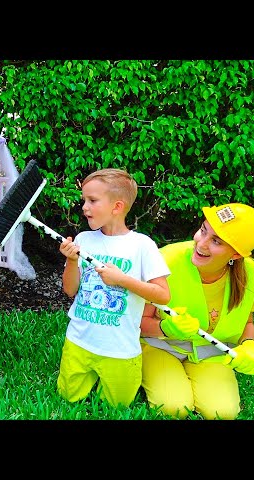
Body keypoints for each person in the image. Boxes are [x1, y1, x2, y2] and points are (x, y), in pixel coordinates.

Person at [140, 202, 254, 420]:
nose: (201, 243)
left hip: (212, 353)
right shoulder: (165, 259)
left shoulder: (252, 272)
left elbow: (247, 323)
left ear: (235, 255)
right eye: (203, 230)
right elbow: (139, 322)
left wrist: (251, 347)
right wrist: (166, 328)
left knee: (223, 414)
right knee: (173, 408)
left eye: (216, 241)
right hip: (160, 347)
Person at [57, 168, 171, 408]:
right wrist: (71, 260)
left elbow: (163, 295)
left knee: (117, 406)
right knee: (68, 397)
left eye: (92, 200)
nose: (84, 207)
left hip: (120, 348)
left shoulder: (142, 246)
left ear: (117, 207)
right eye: (84, 200)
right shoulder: (84, 239)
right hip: (79, 341)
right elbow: (70, 291)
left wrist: (122, 280)